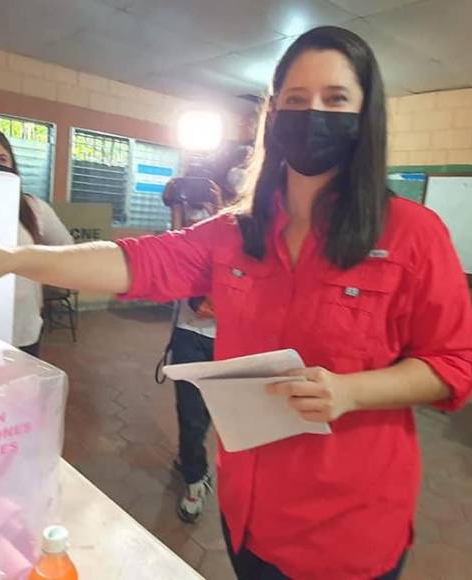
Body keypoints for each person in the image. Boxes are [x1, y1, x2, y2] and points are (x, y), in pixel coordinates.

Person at [0, 26, 472, 579]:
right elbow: (137, 262)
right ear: (273, 117)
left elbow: (456, 365)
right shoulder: (237, 232)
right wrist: (13, 257)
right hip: (248, 513)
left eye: (335, 99)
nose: (313, 113)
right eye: (296, 99)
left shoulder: (411, 234)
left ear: (365, 117)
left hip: (346, 530)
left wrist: (351, 391)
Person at [159, 97, 260, 524]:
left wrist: (222, 213)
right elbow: (173, 262)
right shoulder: (194, 221)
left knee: (224, 414)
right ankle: (194, 476)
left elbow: (252, 272)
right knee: (189, 413)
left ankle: (210, 467)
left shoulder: (256, 222)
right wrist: (180, 212)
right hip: (189, 333)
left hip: (232, 338)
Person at [0, 126, 73, 357]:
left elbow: (66, 247)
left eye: (1, 159)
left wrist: (40, 270)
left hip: (21, 325)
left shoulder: (32, 208)